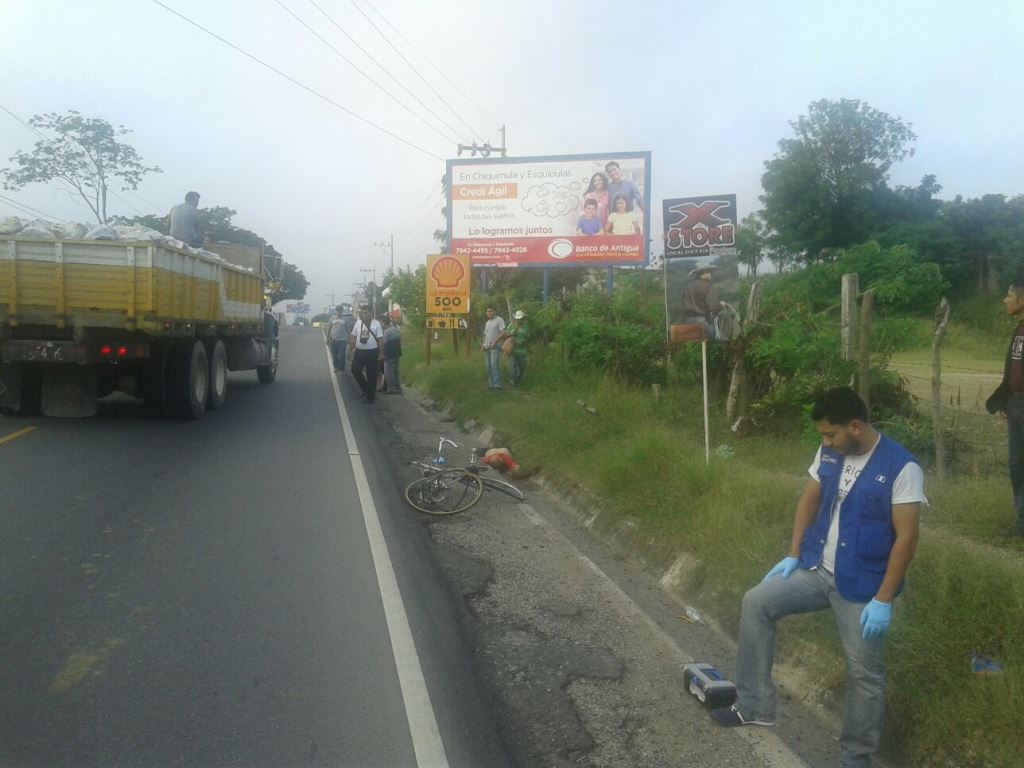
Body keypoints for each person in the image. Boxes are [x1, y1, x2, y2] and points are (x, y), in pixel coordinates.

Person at [713, 387, 924, 768]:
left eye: (831, 434)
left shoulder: (901, 468)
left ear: (855, 427)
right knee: (756, 602)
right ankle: (754, 705)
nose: (826, 442)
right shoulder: (830, 452)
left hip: (863, 588)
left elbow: (907, 539)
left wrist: (883, 599)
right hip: (815, 571)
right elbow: (809, 499)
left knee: (864, 674)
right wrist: (794, 553)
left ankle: (856, 757)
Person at [985, 280, 1024, 537]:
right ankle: (1022, 526)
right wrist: (1007, 399)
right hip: (1016, 404)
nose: (1005, 300)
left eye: (1009, 295)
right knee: (1017, 465)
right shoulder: (1019, 330)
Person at [348, 305, 384, 403]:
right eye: (363, 313)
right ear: (361, 314)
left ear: (371, 313)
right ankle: (366, 388)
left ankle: (370, 397)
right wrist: (350, 350)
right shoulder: (358, 323)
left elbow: (380, 339)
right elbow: (353, 336)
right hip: (360, 351)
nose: (365, 315)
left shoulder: (376, 324)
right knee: (355, 370)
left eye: (367, 312)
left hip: (372, 352)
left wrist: (381, 352)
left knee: (371, 374)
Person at [681, 264, 725, 340]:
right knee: (722, 338)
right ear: (704, 273)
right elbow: (712, 307)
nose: (711, 274)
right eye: (709, 272)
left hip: (686, 321)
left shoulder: (688, 286)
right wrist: (721, 305)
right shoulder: (707, 285)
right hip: (701, 322)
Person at [481, 305, 506, 390]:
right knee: (488, 365)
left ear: (494, 311)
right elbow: (485, 335)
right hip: (487, 346)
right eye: (487, 311)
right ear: (486, 313)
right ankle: (491, 384)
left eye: (491, 311)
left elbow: (503, 333)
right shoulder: (487, 322)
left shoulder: (499, 320)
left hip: (495, 346)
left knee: (494, 364)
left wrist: (495, 342)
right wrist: (482, 345)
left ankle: (497, 385)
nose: (489, 313)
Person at [503, 310, 528, 387]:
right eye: (518, 318)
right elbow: (506, 335)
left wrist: (524, 341)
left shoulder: (526, 327)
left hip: (521, 349)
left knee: (522, 366)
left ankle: (517, 378)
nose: (519, 320)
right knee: (513, 366)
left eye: (521, 318)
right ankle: (514, 381)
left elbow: (528, 337)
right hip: (512, 349)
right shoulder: (511, 325)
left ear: (523, 318)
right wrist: (513, 332)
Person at [381, 315, 402, 395]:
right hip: (397, 353)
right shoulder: (395, 329)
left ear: (384, 322)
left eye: (381, 322)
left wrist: (383, 354)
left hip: (389, 355)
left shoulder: (387, 332)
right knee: (396, 371)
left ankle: (391, 389)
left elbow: (384, 344)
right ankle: (398, 388)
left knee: (388, 372)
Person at [327, 306, 349, 372]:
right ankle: (336, 366)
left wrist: (349, 338)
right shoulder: (332, 318)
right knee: (335, 354)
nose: (339, 312)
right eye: (337, 310)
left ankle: (342, 367)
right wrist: (328, 338)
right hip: (334, 340)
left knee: (342, 354)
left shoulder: (345, 319)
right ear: (336, 311)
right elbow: (329, 328)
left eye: (340, 310)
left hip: (342, 340)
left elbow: (348, 330)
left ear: (342, 311)